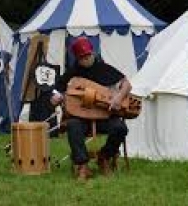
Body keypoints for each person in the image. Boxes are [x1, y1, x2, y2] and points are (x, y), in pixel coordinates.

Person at [50, 36, 131, 181]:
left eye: (88, 55)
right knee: (73, 125)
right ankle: (82, 165)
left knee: (120, 128)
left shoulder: (104, 68)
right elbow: (56, 93)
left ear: (92, 53)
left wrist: (118, 98)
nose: (86, 59)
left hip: (103, 116)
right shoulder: (72, 72)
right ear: (77, 58)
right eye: (82, 57)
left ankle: (104, 157)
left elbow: (126, 84)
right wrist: (56, 98)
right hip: (82, 118)